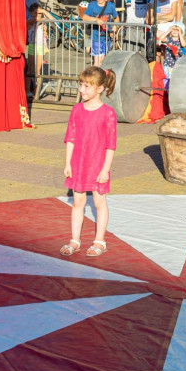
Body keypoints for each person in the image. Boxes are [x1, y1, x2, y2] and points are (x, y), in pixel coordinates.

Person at [61, 66, 118, 259]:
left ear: (100, 88)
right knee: (77, 201)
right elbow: (71, 138)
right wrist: (68, 163)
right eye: (81, 85)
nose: (82, 90)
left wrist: (105, 169)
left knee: (99, 201)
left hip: (98, 164)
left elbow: (111, 145)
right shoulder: (76, 110)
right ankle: (75, 240)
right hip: (79, 162)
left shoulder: (108, 113)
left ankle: (99, 241)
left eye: (87, 86)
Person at [83, 0, 118, 66]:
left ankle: (98, 75)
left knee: (102, 59)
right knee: (98, 60)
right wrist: (96, 20)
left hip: (106, 37)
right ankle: (96, 77)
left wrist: (114, 27)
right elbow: (84, 17)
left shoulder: (111, 6)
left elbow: (116, 18)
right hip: (93, 36)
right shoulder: (92, 5)